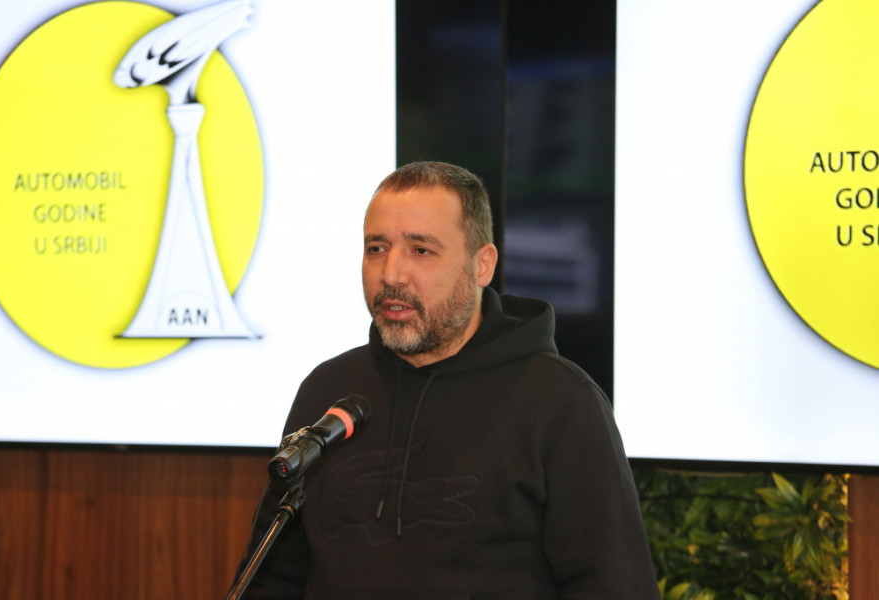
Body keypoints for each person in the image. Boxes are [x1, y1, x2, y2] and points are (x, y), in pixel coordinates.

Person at [233, 161, 660, 599]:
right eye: (376, 248)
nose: (391, 274)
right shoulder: (329, 391)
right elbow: (271, 580)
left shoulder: (561, 403)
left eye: (421, 250)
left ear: (482, 266)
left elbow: (614, 588)